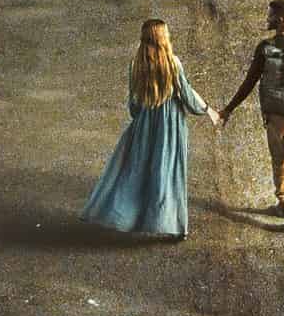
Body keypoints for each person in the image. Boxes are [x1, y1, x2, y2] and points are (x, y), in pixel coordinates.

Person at [83, 18, 214, 241]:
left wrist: (141, 116)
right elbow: (188, 97)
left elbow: (133, 103)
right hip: (170, 125)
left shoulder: (136, 64)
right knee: (170, 173)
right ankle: (176, 226)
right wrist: (208, 110)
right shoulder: (173, 63)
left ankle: (129, 217)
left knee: (136, 171)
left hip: (144, 123)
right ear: (164, 38)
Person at [219, 0, 284, 229]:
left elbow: (249, 82)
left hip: (274, 115)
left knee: (279, 160)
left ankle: (283, 202)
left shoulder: (265, 48)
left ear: (281, 18)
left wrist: (228, 109)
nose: (267, 18)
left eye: (270, 15)